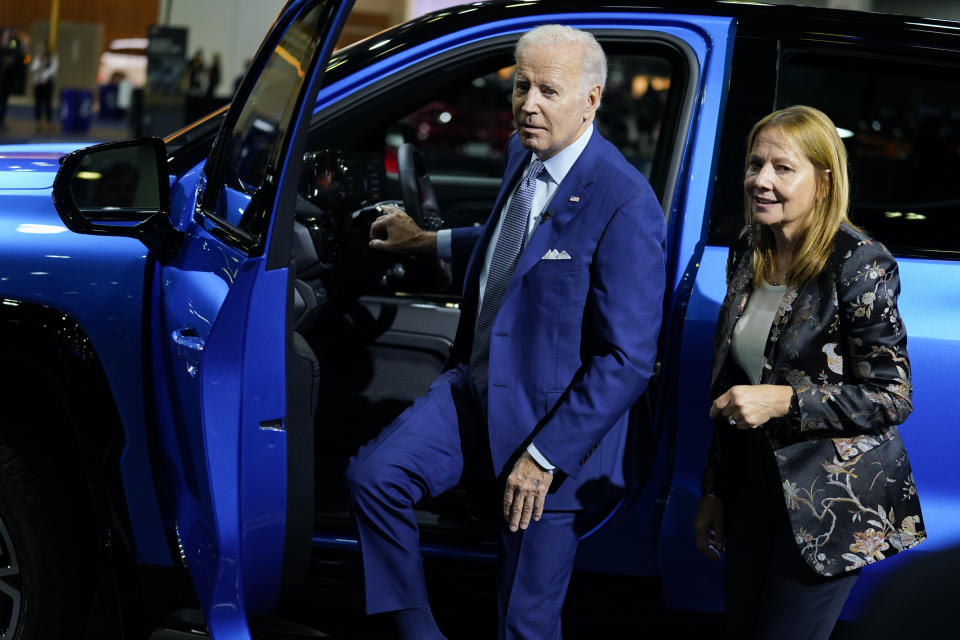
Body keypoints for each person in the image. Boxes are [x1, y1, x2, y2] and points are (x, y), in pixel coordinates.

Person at [346, 24, 666, 640]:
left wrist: (542, 460)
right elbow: (510, 248)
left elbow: (626, 361)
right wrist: (426, 240)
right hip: (479, 386)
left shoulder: (625, 202)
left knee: (523, 624)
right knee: (374, 479)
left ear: (591, 100)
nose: (529, 104)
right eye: (521, 86)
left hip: (554, 431)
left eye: (549, 90)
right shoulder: (526, 153)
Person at [693, 105, 926, 639]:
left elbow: (891, 395)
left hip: (830, 499)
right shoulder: (748, 248)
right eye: (755, 165)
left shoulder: (860, 262)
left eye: (782, 168)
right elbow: (732, 384)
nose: (761, 180)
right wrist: (715, 491)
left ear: (823, 182)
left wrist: (784, 400)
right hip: (753, 485)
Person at [30, 40, 57, 132]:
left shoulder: (52, 57)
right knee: (38, 103)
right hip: (38, 83)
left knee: (47, 103)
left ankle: (48, 121)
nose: (43, 49)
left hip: (47, 83)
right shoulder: (37, 57)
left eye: (44, 47)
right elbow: (33, 68)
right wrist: (39, 64)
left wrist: (44, 76)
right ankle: (38, 121)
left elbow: (53, 70)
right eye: (41, 47)